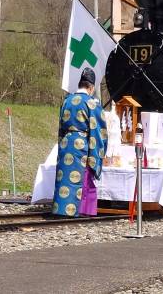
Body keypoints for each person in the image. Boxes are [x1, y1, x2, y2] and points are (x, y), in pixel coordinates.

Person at [52, 67, 107, 217]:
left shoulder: (66, 101)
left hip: (65, 142)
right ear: (91, 87)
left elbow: (60, 127)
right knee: (84, 178)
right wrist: (97, 153)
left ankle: (61, 209)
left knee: (65, 177)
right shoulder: (92, 103)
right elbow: (99, 132)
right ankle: (83, 210)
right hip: (81, 145)